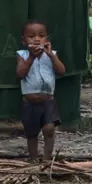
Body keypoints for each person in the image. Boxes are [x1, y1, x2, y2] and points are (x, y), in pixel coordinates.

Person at [16, 19, 66, 162]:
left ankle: (46, 160)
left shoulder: (52, 54)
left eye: (41, 36)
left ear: (47, 39)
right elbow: (20, 74)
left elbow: (62, 71)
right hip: (29, 102)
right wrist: (32, 57)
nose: (37, 39)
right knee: (31, 133)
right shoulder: (22, 55)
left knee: (49, 129)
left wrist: (50, 55)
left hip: (48, 101)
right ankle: (33, 159)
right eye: (32, 36)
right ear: (24, 41)